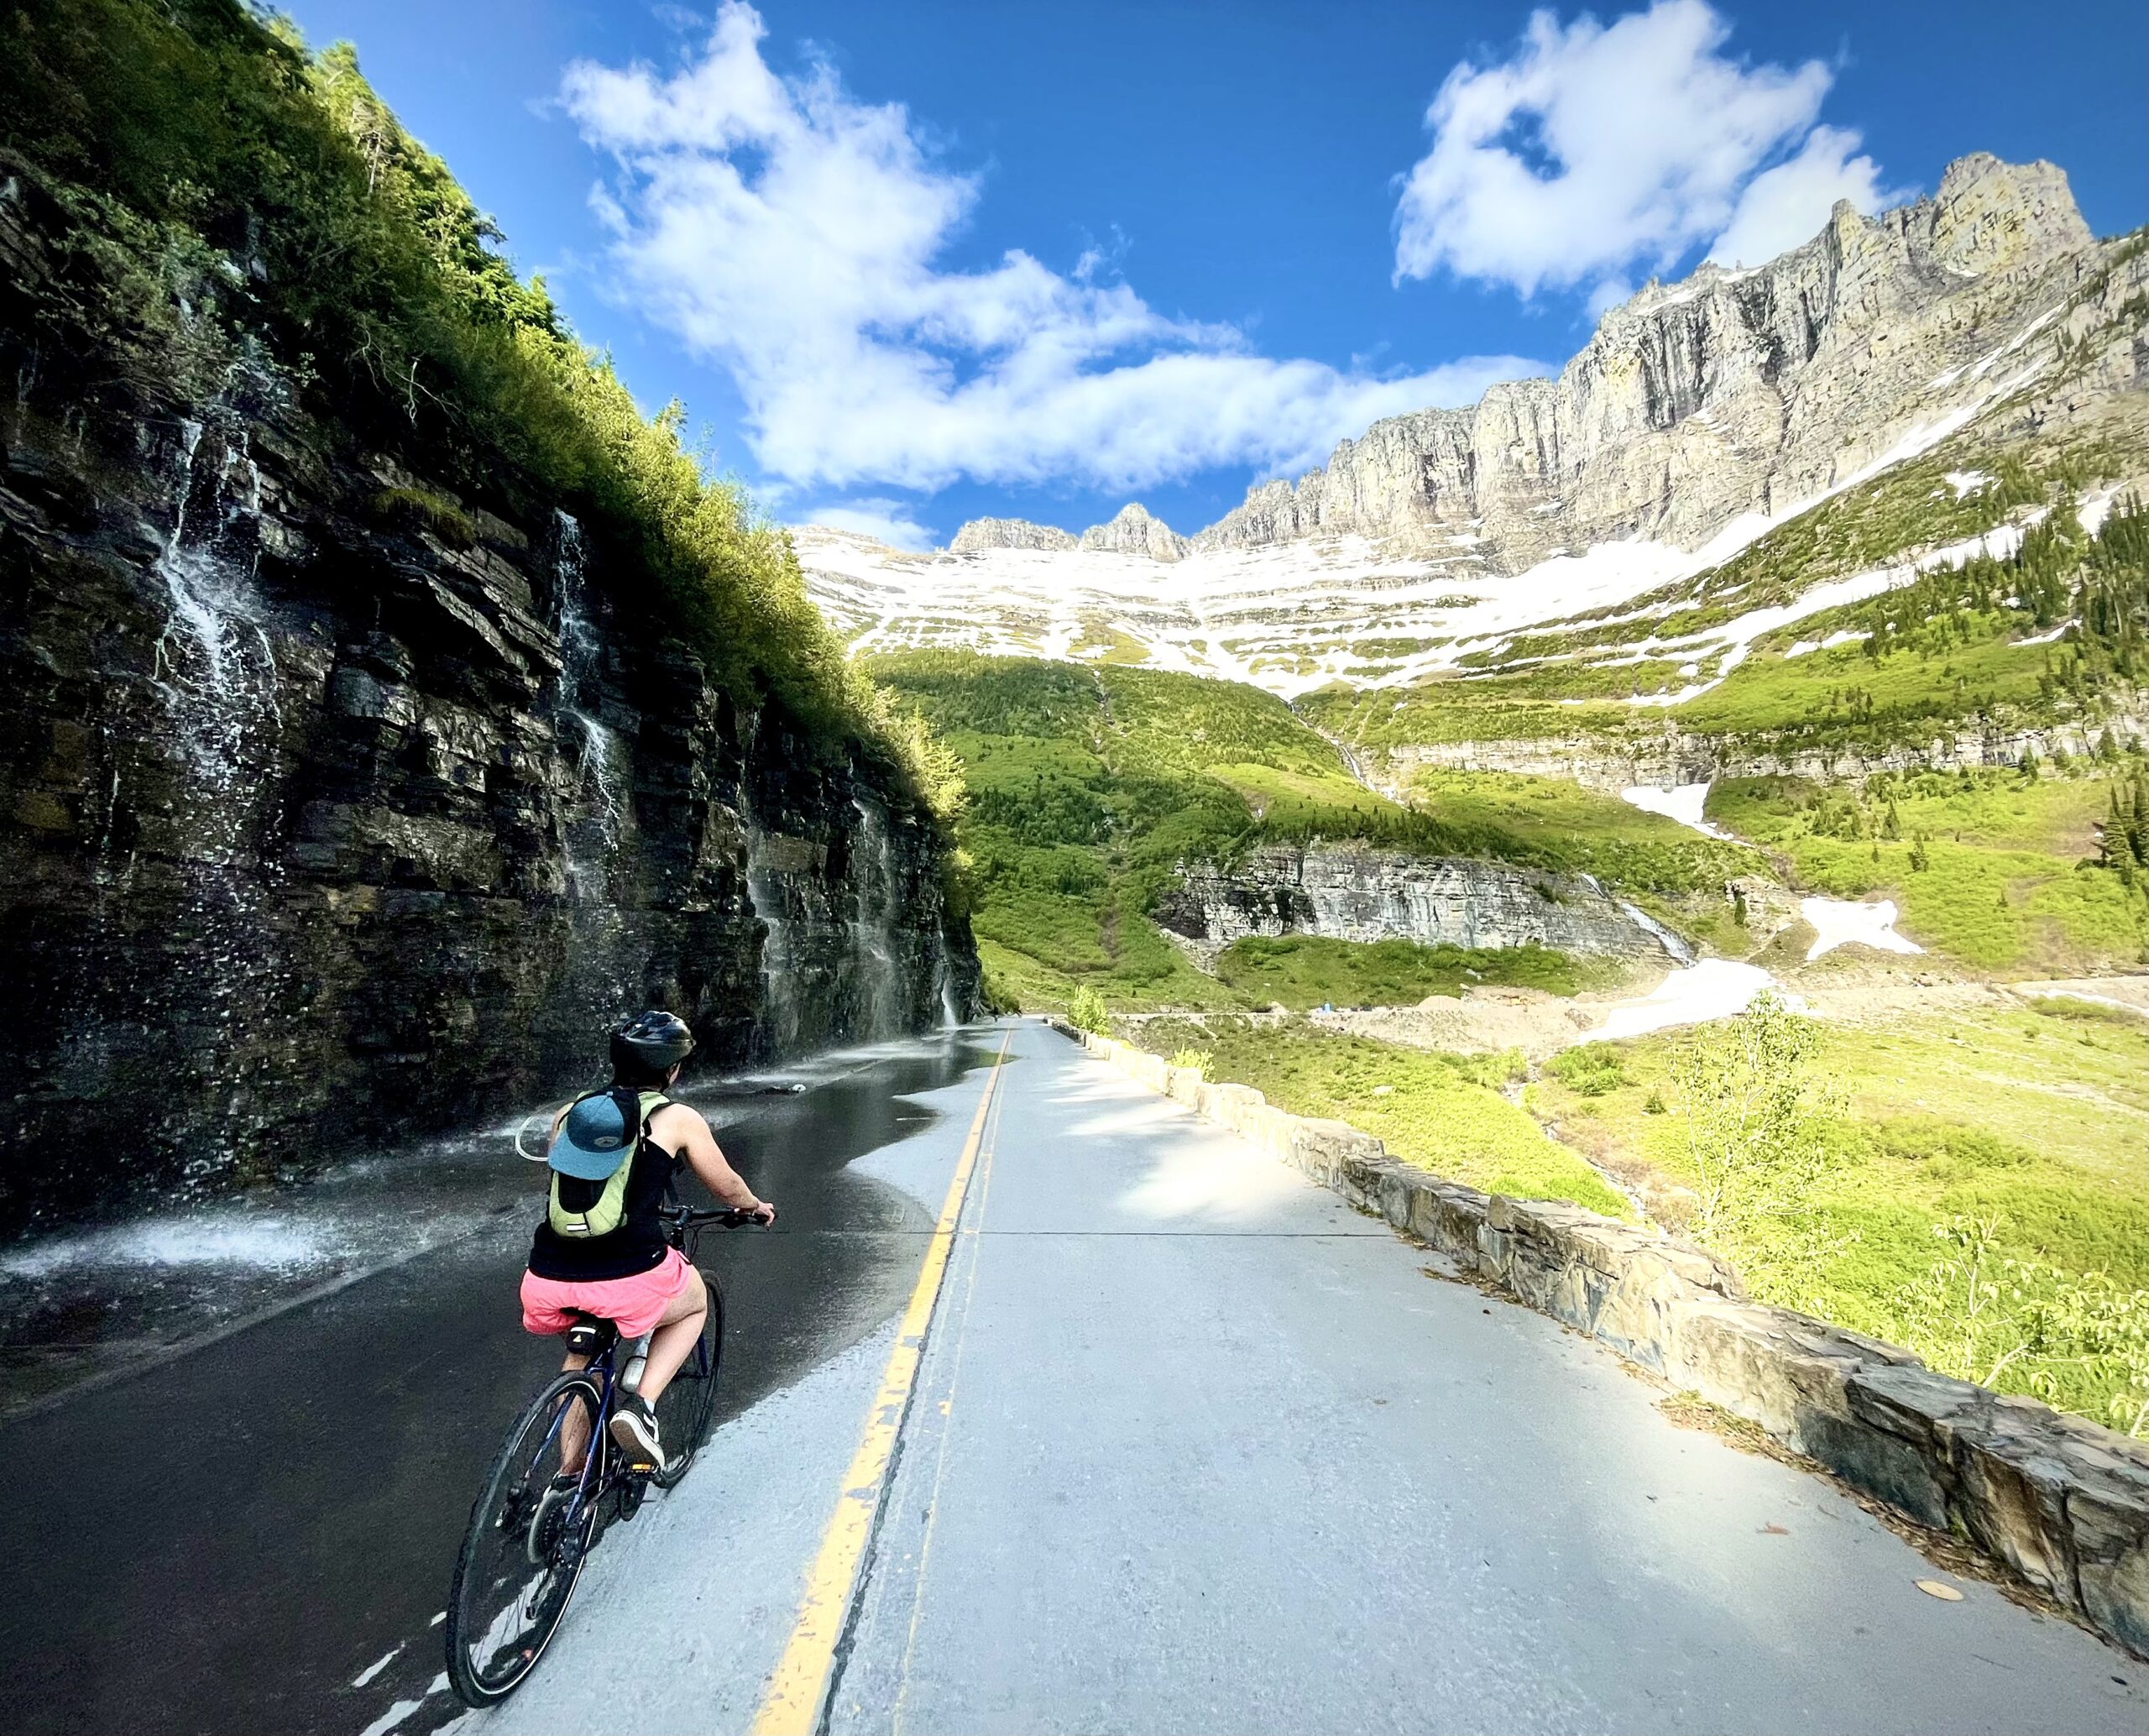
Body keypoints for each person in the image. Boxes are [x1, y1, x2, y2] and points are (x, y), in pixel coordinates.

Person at [519, 1010, 776, 1469]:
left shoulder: (571, 1113)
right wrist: (752, 1206)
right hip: (628, 1274)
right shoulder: (676, 1118)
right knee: (694, 1301)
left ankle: (568, 1477)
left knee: (581, 1358)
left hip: (547, 1275)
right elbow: (727, 1187)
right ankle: (641, 1408)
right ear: (671, 1069)